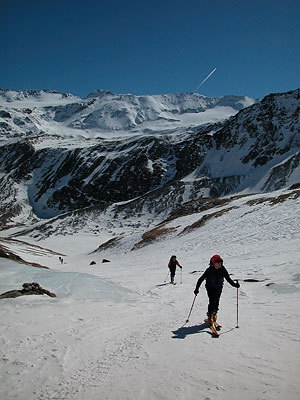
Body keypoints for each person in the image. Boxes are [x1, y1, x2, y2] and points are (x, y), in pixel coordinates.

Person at [193, 254, 239, 326]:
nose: (219, 264)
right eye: (217, 262)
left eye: (220, 262)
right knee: (212, 301)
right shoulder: (209, 270)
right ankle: (210, 316)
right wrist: (196, 289)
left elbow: (228, 279)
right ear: (213, 263)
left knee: (217, 301)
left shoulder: (223, 269)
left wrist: (235, 285)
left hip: (219, 287)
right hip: (210, 287)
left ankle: (214, 313)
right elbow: (200, 279)